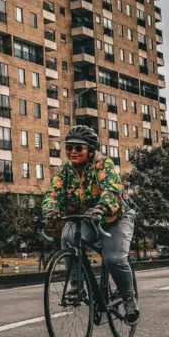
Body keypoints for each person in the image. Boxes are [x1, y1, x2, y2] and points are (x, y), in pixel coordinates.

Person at [42, 124, 139, 323]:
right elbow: (54, 193)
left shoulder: (103, 165)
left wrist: (102, 207)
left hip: (115, 216)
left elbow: (111, 190)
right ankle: (77, 287)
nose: (72, 152)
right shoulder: (65, 171)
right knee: (68, 237)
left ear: (91, 149)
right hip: (86, 217)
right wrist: (50, 210)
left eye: (79, 148)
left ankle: (129, 299)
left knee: (113, 259)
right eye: (69, 147)